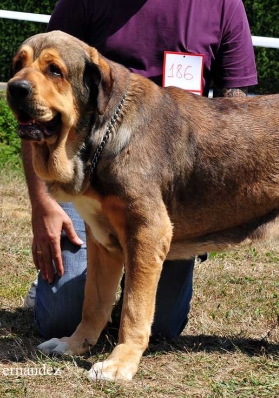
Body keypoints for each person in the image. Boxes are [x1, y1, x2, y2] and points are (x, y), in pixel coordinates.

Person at [22, 0, 258, 339]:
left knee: (163, 329)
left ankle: (128, 301)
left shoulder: (223, 4)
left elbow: (236, 107)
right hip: (87, 177)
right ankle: (56, 291)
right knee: (61, 317)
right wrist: (43, 205)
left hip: (171, 184)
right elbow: (37, 104)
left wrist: (212, 201)